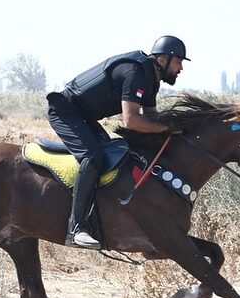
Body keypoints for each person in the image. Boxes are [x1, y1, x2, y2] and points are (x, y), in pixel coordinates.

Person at [46, 36, 188, 249]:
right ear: (162, 60)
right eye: (179, 61)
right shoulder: (135, 73)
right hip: (64, 111)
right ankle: (76, 228)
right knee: (93, 157)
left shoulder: (151, 79)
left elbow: (151, 118)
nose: (181, 68)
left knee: (115, 156)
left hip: (83, 116)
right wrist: (167, 128)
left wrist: (178, 129)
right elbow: (131, 121)